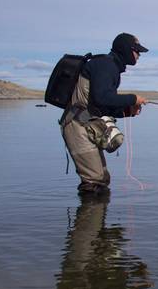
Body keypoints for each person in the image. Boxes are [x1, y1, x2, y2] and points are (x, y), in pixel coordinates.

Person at [60, 33, 149, 196]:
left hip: (85, 124)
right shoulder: (106, 65)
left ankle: (95, 219)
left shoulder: (110, 66)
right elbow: (103, 97)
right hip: (76, 125)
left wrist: (128, 111)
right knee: (95, 182)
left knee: (100, 179)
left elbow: (101, 105)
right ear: (125, 50)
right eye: (137, 51)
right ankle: (88, 219)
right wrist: (133, 98)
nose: (139, 55)